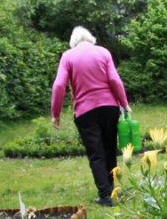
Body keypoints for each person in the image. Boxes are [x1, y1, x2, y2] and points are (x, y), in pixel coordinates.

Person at [51, 26, 131, 207]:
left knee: (96, 153)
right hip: (110, 108)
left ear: (73, 42)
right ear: (90, 38)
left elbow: (58, 86)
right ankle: (112, 189)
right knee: (110, 148)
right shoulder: (103, 52)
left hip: (85, 112)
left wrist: (56, 114)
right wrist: (124, 103)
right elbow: (114, 80)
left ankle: (105, 196)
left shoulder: (68, 56)